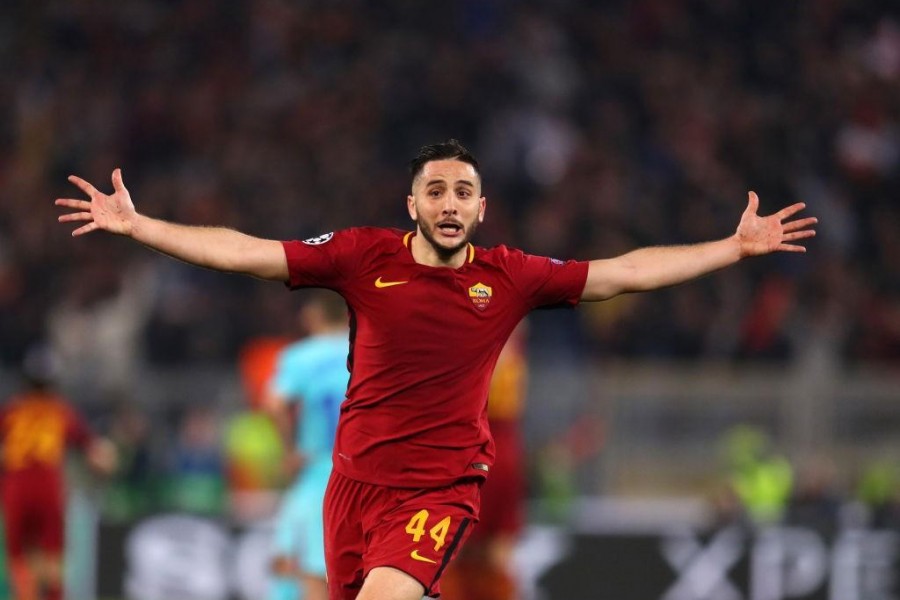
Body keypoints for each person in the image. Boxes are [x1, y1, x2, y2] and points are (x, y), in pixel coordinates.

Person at [55, 139, 816, 600]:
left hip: (438, 488)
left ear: (481, 207)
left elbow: (623, 272)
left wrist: (731, 248)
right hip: (349, 487)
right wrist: (140, 225)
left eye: (462, 192)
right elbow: (250, 251)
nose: (449, 203)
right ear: (411, 203)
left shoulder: (509, 277)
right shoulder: (362, 257)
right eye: (435, 190)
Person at [0, 347, 117, 600]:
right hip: (48, 486)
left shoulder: (11, 411)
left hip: (15, 487)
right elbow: (97, 454)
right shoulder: (60, 411)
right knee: (52, 554)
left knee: (19, 555)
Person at [263, 290, 350, 600]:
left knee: (311, 565)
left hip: (319, 469)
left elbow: (274, 403)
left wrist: (290, 451)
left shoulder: (300, 356)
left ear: (312, 314)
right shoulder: (369, 352)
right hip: (367, 469)